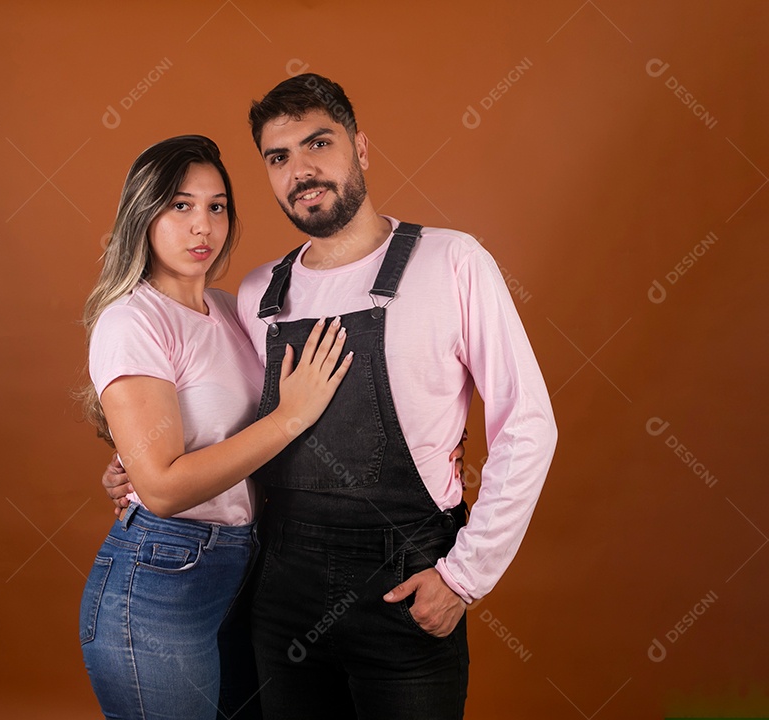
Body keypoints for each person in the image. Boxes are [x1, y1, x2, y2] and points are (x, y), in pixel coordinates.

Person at [104, 73, 557, 719]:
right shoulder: (257, 294)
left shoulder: (452, 262)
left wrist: (465, 577)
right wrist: (138, 465)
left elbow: (528, 425)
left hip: (404, 587)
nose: (301, 171)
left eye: (319, 143)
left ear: (360, 148)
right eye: (279, 157)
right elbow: (219, 413)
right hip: (278, 591)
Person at [77, 134, 354, 720]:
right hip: (161, 582)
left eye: (217, 206)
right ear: (143, 214)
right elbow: (163, 489)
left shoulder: (232, 309)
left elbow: (209, 442)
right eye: (180, 205)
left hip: (243, 571)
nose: (203, 225)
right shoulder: (132, 319)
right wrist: (289, 417)